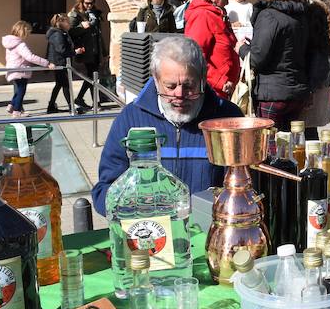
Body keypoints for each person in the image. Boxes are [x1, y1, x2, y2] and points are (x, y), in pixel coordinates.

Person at [92, 36, 243, 215]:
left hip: (210, 232)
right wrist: (138, 212)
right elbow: (104, 191)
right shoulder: (131, 119)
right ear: (156, 80)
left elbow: (244, 188)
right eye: (170, 86)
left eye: (189, 85)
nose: (180, 94)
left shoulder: (228, 118)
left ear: (203, 78)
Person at [240, 0, 310, 131]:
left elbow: (257, 58)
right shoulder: (302, 15)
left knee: (269, 148)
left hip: (273, 92)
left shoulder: (270, 16)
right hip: (296, 92)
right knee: (290, 146)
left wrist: (241, 48)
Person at [183, 0, 240, 100]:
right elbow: (194, 58)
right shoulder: (202, 16)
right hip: (211, 93)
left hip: (222, 92)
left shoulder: (218, 14)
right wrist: (220, 81)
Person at [296, 0, 330, 137]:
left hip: (311, 80)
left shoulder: (312, 9)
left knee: (305, 130)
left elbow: (316, 52)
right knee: (308, 130)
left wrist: (309, 88)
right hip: (315, 79)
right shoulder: (321, 7)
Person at [2, 20, 55, 118]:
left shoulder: (9, 43)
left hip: (13, 70)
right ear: (23, 32)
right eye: (28, 33)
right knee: (21, 91)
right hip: (21, 70)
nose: (28, 35)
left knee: (18, 90)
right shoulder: (20, 44)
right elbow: (30, 57)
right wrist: (46, 63)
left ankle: (12, 106)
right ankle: (17, 111)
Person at [68, 0, 107, 112]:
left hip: (96, 49)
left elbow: (99, 35)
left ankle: (82, 99)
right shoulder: (75, 14)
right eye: (87, 3)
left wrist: (104, 52)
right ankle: (95, 102)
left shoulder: (95, 13)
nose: (89, 5)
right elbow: (70, 32)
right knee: (92, 75)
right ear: (81, 2)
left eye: (91, 3)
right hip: (85, 50)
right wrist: (81, 27)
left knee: (93, 75)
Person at [45, 13, 83, 113]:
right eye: (68, 22)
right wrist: (74, 52)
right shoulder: (57, 34)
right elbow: (61, 49)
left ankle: (51, 106)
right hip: (59, 63)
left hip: (60, 62)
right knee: (65, 85)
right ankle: (71, 107)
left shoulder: (61, 33)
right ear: (61, 23)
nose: (69, 24)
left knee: (59, 85)